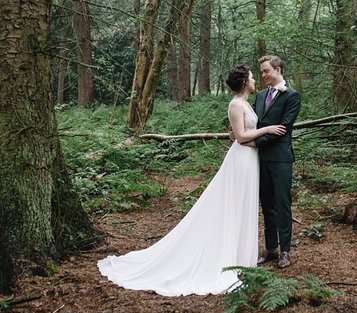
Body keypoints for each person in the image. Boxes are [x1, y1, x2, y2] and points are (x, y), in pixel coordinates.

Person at [98, 65, 286, 295]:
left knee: (245, 205)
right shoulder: (236, 104)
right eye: (253, 77)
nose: (256, 79)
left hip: (251, 159)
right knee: (233, 206)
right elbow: (240, 136)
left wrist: (253, 134)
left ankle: (241, 257)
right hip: (240, 161)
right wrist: (265, 129)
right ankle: (228, 257)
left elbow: (241, 134)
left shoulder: (248, 103)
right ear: (245, 82)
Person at [253, 55, 301, 269]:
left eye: (266, 71)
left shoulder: (292, 96)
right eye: (261, 72)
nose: (263, 75)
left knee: (283, 204)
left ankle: (285, 251)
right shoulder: (261, 95)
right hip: (260, 159)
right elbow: (255, 122)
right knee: (267, 205)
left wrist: (255, 142)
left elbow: (283, 129)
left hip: (280, 158)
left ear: (278, 70)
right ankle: (271, 248)